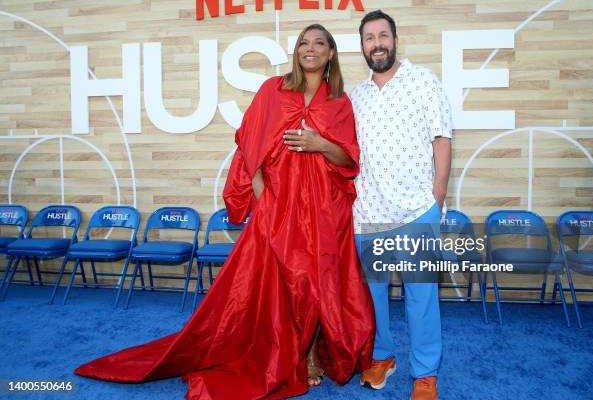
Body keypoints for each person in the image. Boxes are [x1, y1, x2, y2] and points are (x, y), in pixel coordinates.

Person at [74, 24, 374, 399]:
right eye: (303, 43)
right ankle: (283, 350)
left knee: (315, 282)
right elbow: (251, 140)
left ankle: (310, 353)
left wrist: (319, 143)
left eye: (319, 44)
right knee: (281, 282)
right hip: (279, 204)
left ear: (331, 54)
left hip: (324, 207)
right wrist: (263, 194)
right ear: (296, 51)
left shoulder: (338, 102)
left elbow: (348, 159)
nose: (309, 49)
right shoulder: (274, 90)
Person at [350, 10, 452, 400]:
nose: (377, 43)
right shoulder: (356, 96)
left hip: (415, 212)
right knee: (373, 298)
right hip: (369, 214)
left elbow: (441, 140)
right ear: (362, 46)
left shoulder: (423, 81)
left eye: (383, 36)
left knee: (422, 300)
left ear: (395, 40)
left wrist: (436, 200)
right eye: (369, 38)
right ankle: (382, 355)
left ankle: (425, 373)